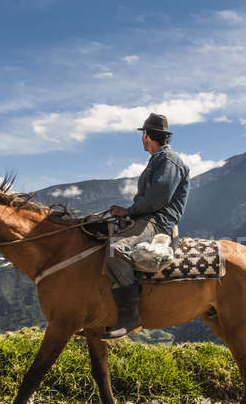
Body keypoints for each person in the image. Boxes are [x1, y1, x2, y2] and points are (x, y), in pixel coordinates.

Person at [102, 113, 190, 341]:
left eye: (143, 135)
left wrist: (128, 211)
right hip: (147, 218)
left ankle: (130, 316)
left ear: (146, 135)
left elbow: (157, 199)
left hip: (158, 221)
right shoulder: (159, 158)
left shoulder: (169, 160)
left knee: (115, 250)